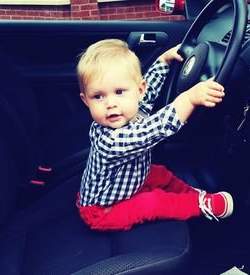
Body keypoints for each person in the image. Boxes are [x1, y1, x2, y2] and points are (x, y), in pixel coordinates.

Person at [76, 38, 233, 231]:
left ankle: (192, 195)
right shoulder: (110, 141)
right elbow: (156, 127)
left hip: (127, 182)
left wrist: (164, 60)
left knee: (158, 173)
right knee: (153, 202)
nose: (110, 104)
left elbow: (148, 90)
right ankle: (202, 205)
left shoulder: (130, 111)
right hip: (103, 211)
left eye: (119, 92)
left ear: (138, 91)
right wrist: (189, 99)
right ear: (86, 101)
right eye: (98, 96)